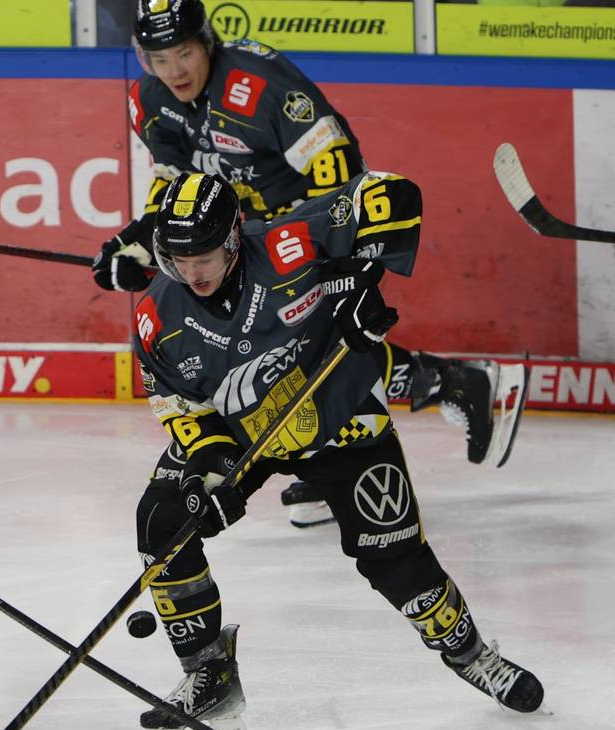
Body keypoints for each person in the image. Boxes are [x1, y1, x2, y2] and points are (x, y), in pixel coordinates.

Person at [130, 168, 543, 730]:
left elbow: (393, 191)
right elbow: (178, 404)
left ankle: (471, 653)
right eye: (178, 258)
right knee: (163, 520)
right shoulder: (157, 315)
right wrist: (214, 468)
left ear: (232, 237)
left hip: (339, 418)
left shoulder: (290, 244)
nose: (192, 272)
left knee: (396, 562)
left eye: (205, 256)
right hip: (241, 429)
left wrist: (364, 275)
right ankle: (212, 680)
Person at [92, 0, 527, 528]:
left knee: (308, 344)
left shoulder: (260, 83)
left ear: (206, 40)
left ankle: (342, 448)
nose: (174, 70)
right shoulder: (149, 100)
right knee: (267, 347)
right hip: (239, 243)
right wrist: (146, 246)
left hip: (306, 229)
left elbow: (338, 167)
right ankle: (453, 384)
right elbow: (176, 183)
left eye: (184, 52)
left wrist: (334, 261)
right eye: (159, 58)